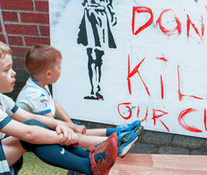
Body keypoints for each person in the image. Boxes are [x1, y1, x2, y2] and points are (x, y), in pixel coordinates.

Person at [0, 38, 118, 175]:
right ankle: (89, 167)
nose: (14, 73)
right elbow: (28, 133)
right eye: (7, 70)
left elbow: (31, 117)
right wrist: (68, 137)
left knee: (35, 124)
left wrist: (61, 124)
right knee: (31, 135)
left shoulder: (0, 99)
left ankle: (87, 156)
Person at [16, 43, 144, 158]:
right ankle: (117, 143)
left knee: (76, 130)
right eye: (59, 67)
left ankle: (116, 132)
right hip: (28, 138)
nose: (61, 70)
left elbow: (54, 105)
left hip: (40, 129)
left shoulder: (38, 85)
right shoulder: (35, 95)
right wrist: (72, 128)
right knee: (72, 136)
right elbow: (52, 124)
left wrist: (71, 123)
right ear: (49, 74)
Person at [77, 0, 117, 100]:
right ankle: (93, 89)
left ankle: (97, 88)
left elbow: (108, 2)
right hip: (90, 15)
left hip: (100, 16)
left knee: (98, 55)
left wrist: (111, 15)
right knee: (91, 54)